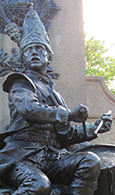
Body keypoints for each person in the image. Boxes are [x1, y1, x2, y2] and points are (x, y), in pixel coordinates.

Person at [0, 5, 112, 195]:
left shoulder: (56, 96)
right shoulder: (20, 83)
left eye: (39, 49)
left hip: (51, 158)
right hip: (22, 157)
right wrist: (68, 114)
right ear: (23, 57)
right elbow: (29, 108)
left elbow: (66, 135)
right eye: (28, 50)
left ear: (48, 56)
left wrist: (96, 127)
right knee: (38, 185)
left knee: (90, 161)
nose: (34, 53)